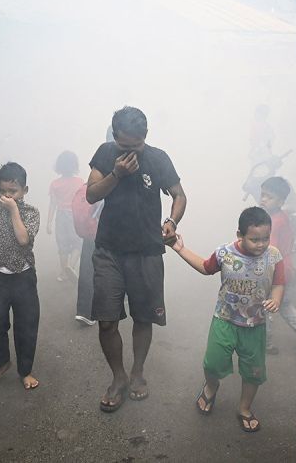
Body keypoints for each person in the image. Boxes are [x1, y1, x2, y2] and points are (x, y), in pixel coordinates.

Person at [86, 106, 187, 412]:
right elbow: (91, 195)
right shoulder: (105, 154)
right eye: (125, 146)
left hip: (146, 251)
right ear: (115, 136)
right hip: (109, 250)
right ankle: (118, 378)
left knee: (144, 317)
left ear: (146, 136)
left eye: (137, 145)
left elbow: (179, 195)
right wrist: (117, 173)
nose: (131, 152)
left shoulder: (158, 158)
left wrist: (172, 222)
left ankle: (138, 372)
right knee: (106, 321)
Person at [170, 206, 285, 432]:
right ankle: (211, 387)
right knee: (213, 363)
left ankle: (244, 408)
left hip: (255, 325)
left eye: (265, 238)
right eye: (254, 239)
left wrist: (276, 299)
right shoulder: (225, 253)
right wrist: (180, 249)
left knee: (254, 371)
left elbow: (279, 283)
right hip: (224, 319)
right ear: (239, 235)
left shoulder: (273, 256)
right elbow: (205, 267)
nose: (261, 244)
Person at [0, 162, 41, 390]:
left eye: (13, 192)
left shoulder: (30, 213)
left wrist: (14, 210)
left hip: (23, 277)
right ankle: (1, 362)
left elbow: (23, 239)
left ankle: (25, 371)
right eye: (3, 191)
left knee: (26, 325)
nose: (7, 196)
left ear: (24, 190)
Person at [259, 177, 296, 355]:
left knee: (266, 305)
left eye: (269, 197)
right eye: (263, 195)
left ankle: (265, 344)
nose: (264, 199)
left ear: (281, 201)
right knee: (285, 304)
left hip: (274, 270)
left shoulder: (273, 222)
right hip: (287, 267)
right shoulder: (283, 216)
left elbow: (270, 249)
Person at [47, 151, 84, 282]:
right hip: (75, 216)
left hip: (61, 216)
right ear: (75, 165)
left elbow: (53, 204)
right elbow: (83, 202)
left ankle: (64, 273)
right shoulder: (80, 182)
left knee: (63, 246)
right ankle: (71, 267)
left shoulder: (55, 184)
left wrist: (49, 223)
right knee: (77, 244)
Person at [71, 182, 101, 326]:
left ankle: (84, 312)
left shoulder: (90, 184)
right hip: (107, 235)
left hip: (90, 234)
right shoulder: (113, 182)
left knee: (87, 270)